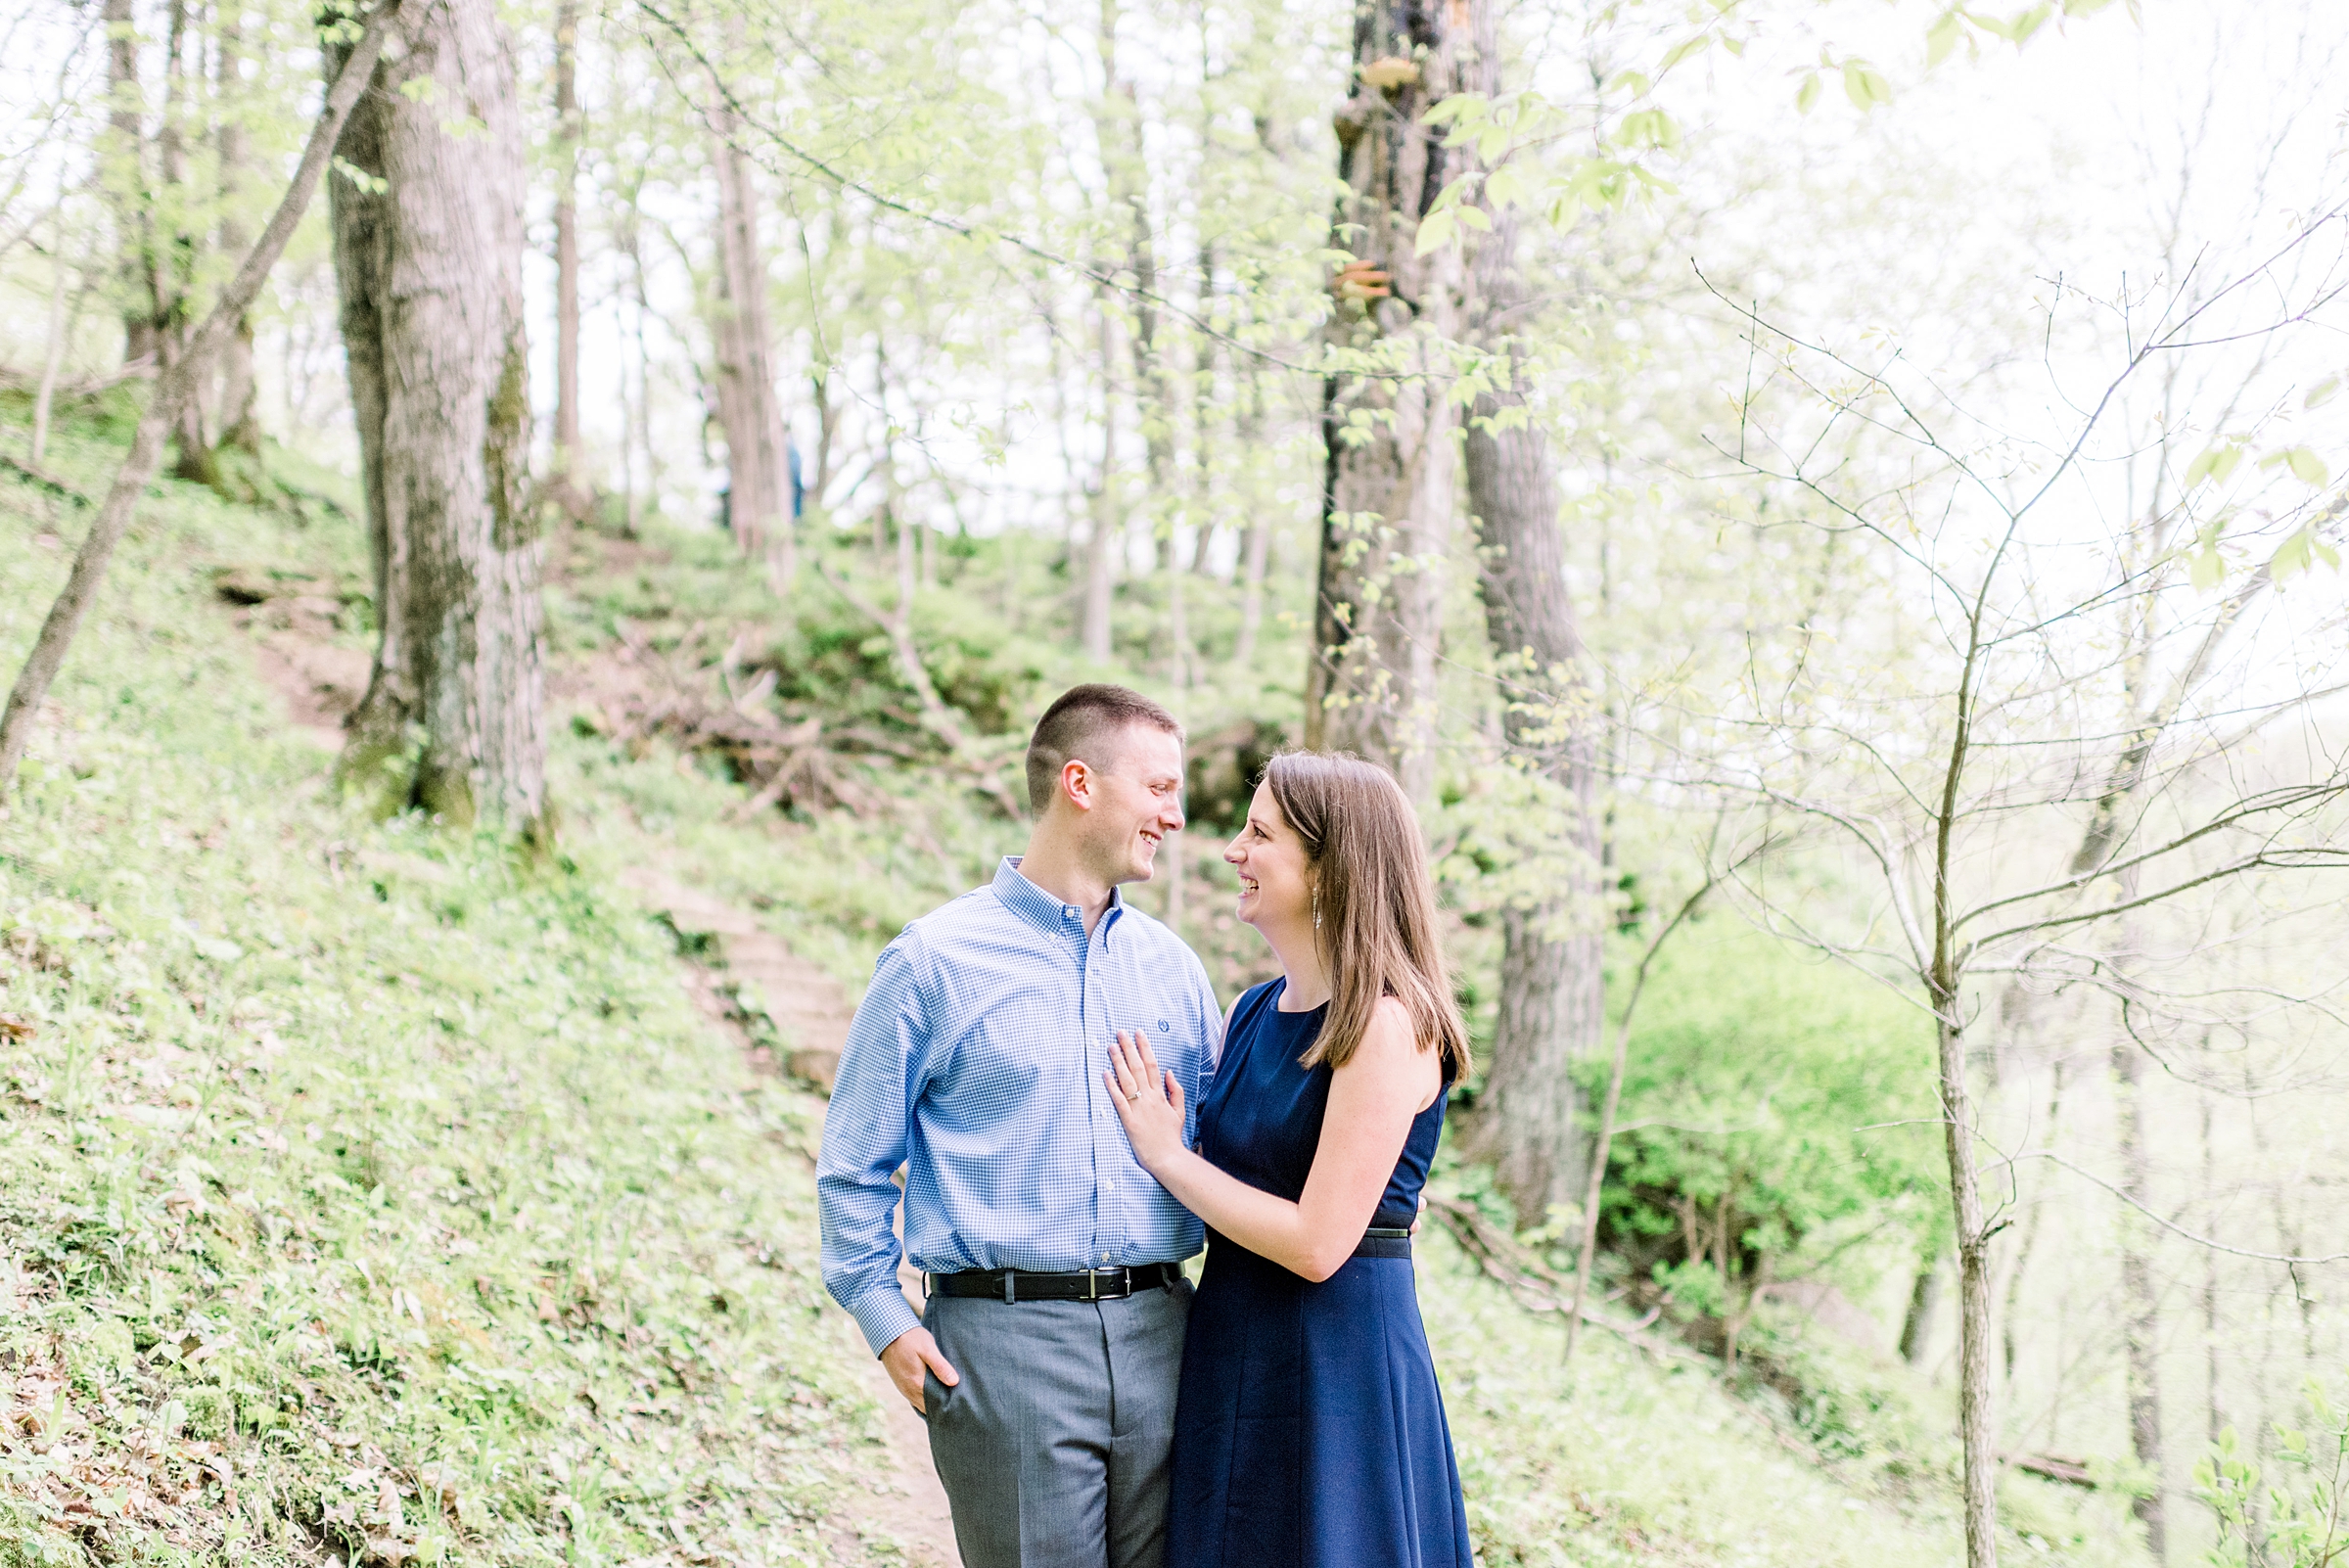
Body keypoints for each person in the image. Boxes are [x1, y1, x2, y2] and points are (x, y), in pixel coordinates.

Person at [817, 683, 1224, 1568]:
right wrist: (885, 1317)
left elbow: (1229, 1151)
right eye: (1159, 788)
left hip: (1172, 1339)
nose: (1178, 815)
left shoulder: (1174, 971)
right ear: (1081, 782)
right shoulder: (933, 961)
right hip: (1006, 1353)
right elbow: (853, 1166)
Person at [1102, 751, 1476, 1568]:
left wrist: (1168, 1156)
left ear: (1332, 865)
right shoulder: (1250, 1010)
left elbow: (1316, 1242)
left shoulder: (1384, 1023)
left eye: (1260, 833)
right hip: (1233, 1338)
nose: (1234, 850)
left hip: (1334, 1363)